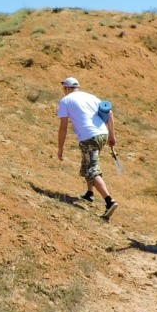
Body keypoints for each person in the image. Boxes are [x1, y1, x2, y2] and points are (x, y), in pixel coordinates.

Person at [56, 76, 118, 220]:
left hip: (89, 137)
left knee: (91, 170)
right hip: (102, 134)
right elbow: (109, 113)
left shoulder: (65, 100)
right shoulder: (91, 97)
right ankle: (89, 193)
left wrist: (60, 148)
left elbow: (63, 127)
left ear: (66, 87)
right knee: (88, 162)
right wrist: (112, 136)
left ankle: (109, 201)